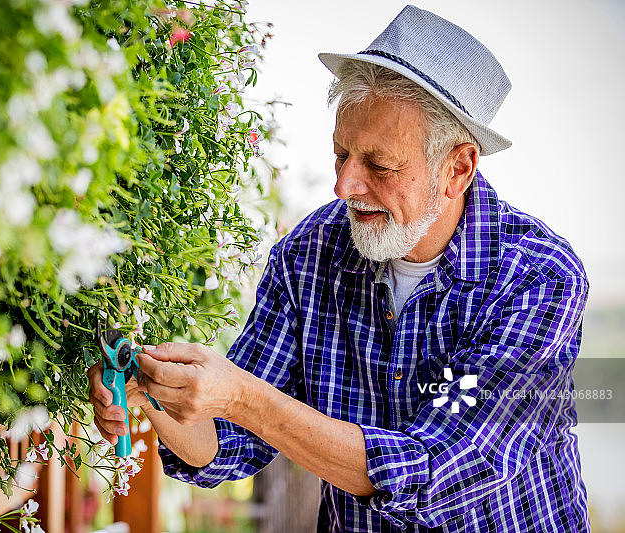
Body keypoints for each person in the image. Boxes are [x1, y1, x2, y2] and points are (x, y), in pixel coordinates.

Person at [89, 5, 590, 531]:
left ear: (457, 168)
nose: (344, 187)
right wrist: (156, 397)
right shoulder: (309, 254)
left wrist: (239, 394)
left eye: (379, 164)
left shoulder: (540, 278)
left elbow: (438, 469)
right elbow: (227, 443)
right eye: (340, 155)